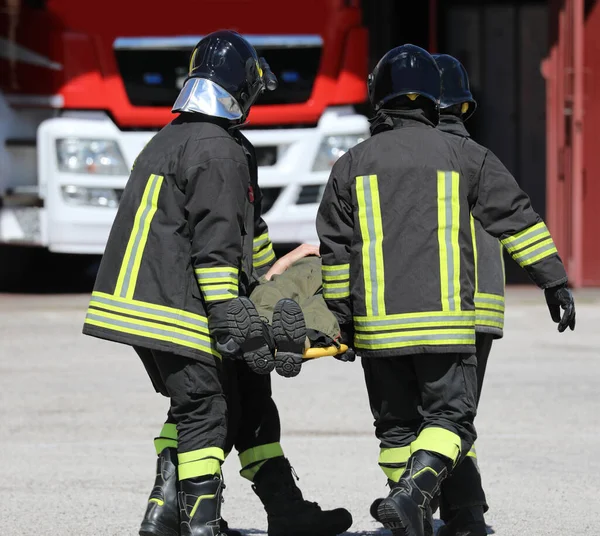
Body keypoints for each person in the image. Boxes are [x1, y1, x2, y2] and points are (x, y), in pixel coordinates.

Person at [316, 43, 576, 536]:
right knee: (451, 419)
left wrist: (342, 319)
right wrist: (554, 280)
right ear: (434, 99)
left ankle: (408, 515)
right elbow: (517, 219)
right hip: (447, 324)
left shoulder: (349, 164)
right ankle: (416, 496)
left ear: (380, 96)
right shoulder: (465, 154)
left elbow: (335, 253)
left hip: (378, 328)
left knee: (395, 430)